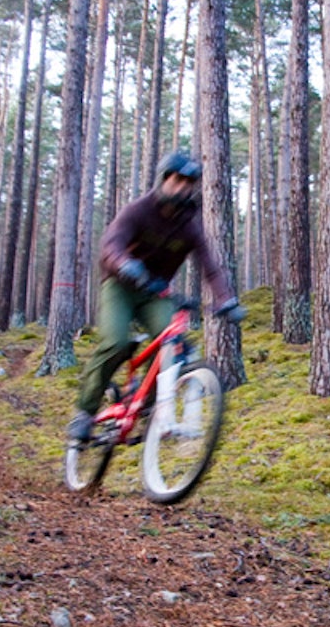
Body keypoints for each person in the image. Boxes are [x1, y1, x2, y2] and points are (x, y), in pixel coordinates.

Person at [68, 151, 245, 441]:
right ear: (164, 179)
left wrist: (226, 300)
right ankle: (84, 413)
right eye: (178, 180)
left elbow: (210, 266)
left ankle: (146, 405)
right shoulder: (138, 211)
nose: (183, 187)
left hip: (155, 292)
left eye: (189, 182)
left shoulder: (189, 225)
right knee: (116, 343)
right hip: (120, 286)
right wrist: (125, 264)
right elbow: (111, 245)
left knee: (172, 346)